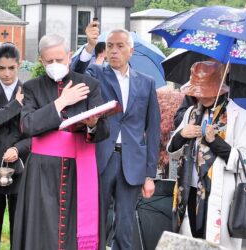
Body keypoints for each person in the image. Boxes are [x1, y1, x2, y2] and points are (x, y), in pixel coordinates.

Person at [12, 33, 109, 250]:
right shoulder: (32, 87)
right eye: (49, 61)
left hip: (79, 169)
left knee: (77, 230)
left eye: (60, 59)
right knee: (42, 232)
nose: (55, 64)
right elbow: (28, 125)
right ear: (41, 61)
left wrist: (93, 123)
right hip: (42, 172)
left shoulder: (89, 85)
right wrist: (61, 102)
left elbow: (103, 132)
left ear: (69, 56)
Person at [73, 25, 161, 250]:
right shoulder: (97, 75)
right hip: (102, 158)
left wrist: (150, 174)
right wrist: (90, 46)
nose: (114, 51)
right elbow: (78, 73)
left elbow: (153, 130)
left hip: (132, 162)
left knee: (125, 223)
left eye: (120, 46)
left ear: (130, 51)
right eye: (110, 46)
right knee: (98, 221)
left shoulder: (147, 82)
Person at [167, 61, 246, 249]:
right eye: (197, 92)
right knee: (189, 242)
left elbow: (245, 160)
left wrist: (216, 142)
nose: (201, 97)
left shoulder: (239, 116)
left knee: (213, 243)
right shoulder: (190, 113)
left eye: (205, 91)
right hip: (188, 191)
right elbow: (172, 150)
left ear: (220, 89)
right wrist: (182, 134)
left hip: (220, 196)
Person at [0, 42, 30, 250]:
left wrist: (18, 149)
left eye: (11, 67)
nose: (7, 73)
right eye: (2, 68)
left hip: (21, 168)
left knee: (19, 230)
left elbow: (36, 132)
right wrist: (15, 105)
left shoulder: (30, 91)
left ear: (19, 65)